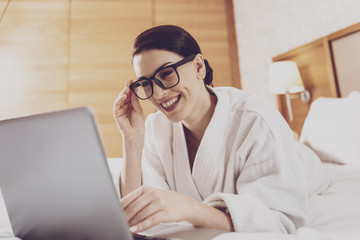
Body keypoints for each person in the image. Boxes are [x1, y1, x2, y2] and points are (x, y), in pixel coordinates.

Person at [113, 25, 325, 234]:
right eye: (146, 83)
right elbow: (136, 215)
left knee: (304, 155)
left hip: (305, 166)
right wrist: (132, 140)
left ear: (198, 67)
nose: (158, 94)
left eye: (167, 74)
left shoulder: (256, 121)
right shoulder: (156, 127)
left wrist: (189, 208)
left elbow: (278, 221)